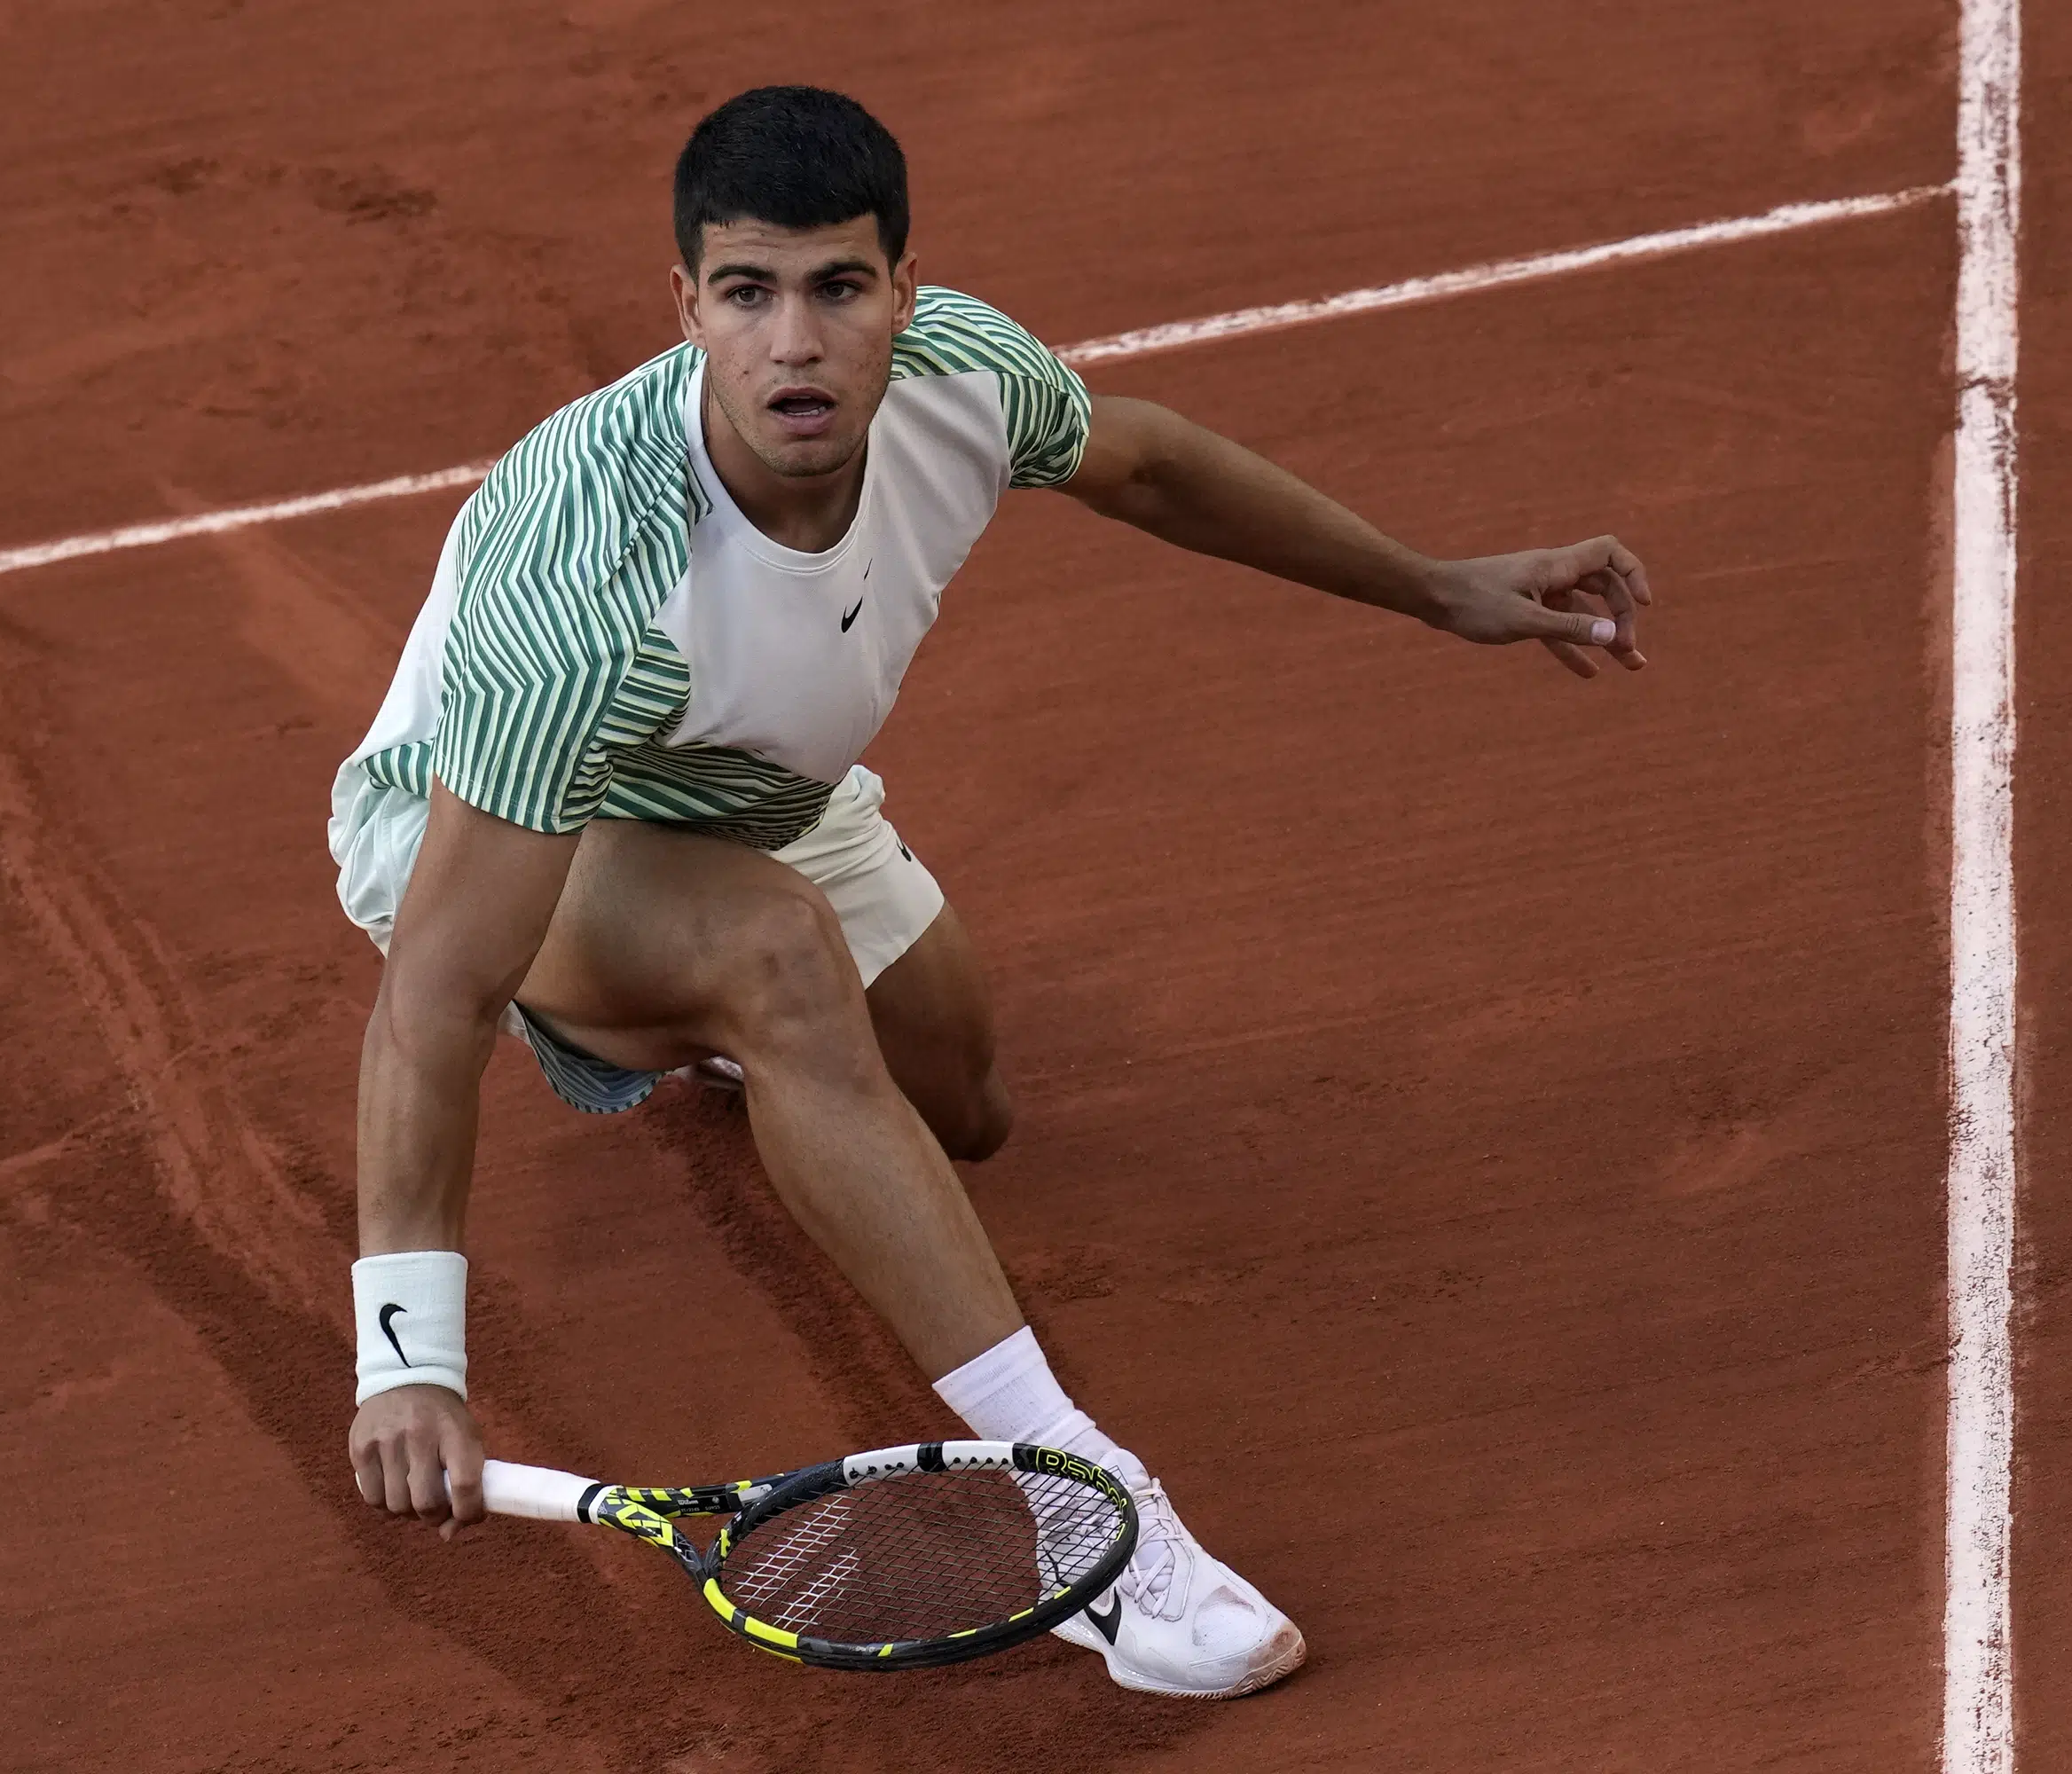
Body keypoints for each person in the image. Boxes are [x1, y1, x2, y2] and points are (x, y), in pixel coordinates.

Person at [332, 85, 1649, 1698]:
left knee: (965, 1104)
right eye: (746, 296)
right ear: (686, 310)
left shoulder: (968, 373)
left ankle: (739, 1032)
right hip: (507, 826)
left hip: (760, 788)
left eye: (837, 288)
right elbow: (440, 993)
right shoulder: (590, 595)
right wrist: (409, 1358)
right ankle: (1098, 1518)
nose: (794, 345)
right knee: (778, 956)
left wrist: (1436, 586)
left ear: (904, 287)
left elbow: (1151, 465)